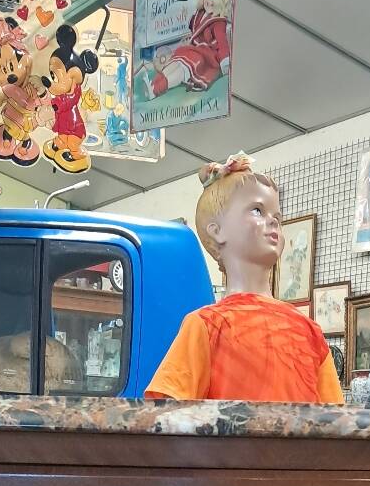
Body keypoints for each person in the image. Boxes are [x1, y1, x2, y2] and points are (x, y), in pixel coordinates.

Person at [146, 154, 345, 404]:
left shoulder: (308, 332)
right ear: (217, 230)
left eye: (277, 216)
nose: (272, 220)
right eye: (257, 210)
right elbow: (167, 418)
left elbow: (336, 424)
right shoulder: (206, 326)